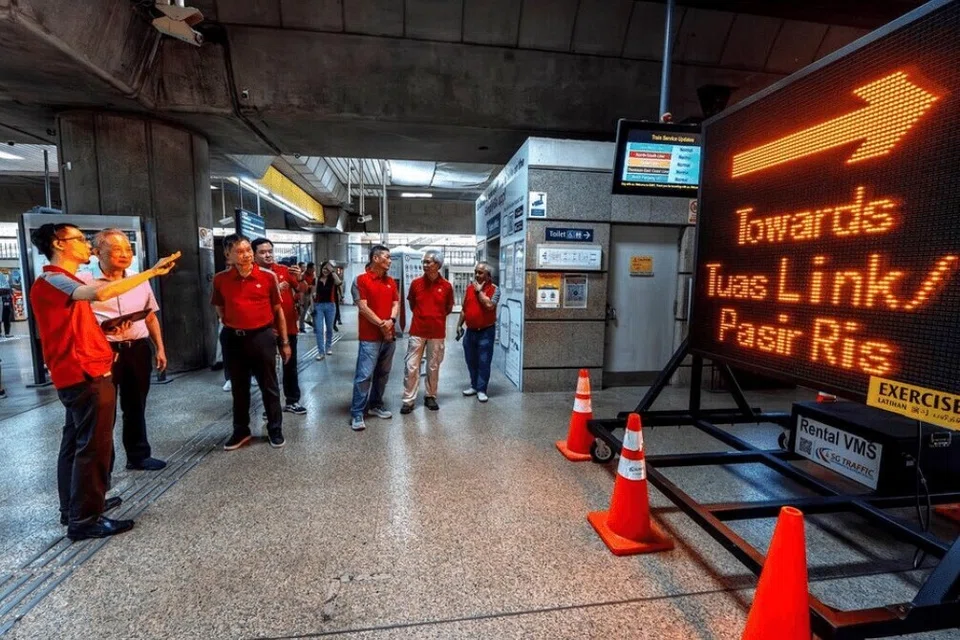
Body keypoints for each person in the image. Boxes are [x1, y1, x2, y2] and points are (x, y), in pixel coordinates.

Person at [29, 222, 178, 540]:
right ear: (59, 244)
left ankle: (78, 506)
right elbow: (100, 292)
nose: (86, 245)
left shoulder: (61, 280)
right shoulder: (55, 279)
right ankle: (84, 520)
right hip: (84, 374)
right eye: (80, 240)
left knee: (78, 442)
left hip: (86, 370)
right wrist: (150, 272)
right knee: (92, 447)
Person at [79, 229, 168, 472]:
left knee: (136, 404)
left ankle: (139, 455)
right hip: (104, 351)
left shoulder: (139, 280)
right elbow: (80, 321)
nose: (124, 254)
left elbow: (150, 317)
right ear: (97, 252)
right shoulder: (85, 283)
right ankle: (103, 468)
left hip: (137, 349)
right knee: (103, 411)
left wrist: (159, 348)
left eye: (128, 249)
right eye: (116, 249)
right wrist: (106, 327)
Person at [212, 234, 292, 450]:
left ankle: (275, 429)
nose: (246, 255)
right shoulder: (220, 279)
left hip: (262, 337)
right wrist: (233, 322)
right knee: (239, 388)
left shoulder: (267, 277)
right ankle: (241, 430)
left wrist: (284, 343)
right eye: (240, 251)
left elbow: (278, 312)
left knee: (270, 386)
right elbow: (220, 308)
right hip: (233, 339)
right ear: (228, 254)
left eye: (248, 250)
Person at [252, 237, 307, 415]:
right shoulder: (252, 275)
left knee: (290, 365)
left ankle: (292, 401)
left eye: (270, 251)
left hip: (289, 327)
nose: (268, 255)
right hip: (265, 329)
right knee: (268, 370)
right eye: (262, 252)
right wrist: (275, 289)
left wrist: (300, 278)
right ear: (254, 255)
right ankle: (270, 407)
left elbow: (302, 289)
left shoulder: (284, 270)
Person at [350, 245, 399, 431]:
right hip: (370, 337)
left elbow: (396, 303)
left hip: (389, 336)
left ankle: (376, 404)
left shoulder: (391, 281)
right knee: (364, 375)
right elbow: (362, 307)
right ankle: (357, 412)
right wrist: (382, 324)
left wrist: (391, 320)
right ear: (375, 258)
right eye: (387, 257)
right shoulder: (361, 280)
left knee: (383, 374)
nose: (390, 260)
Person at [400, 250, 454, 414]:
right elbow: (412, 304)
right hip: (417, 331)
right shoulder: (416, 283)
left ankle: (430, 396)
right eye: (423, 262)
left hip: (437, 333)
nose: (424, 265)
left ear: (437, 265)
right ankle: (408, 400)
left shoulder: (446, 286)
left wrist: (434, 318)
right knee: (411, 366)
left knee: (433, 366)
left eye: (428, 262)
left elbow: (448, 308)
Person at [456, 262, 500, 403]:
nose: (476, 275)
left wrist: (479, 292)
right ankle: (474, 385)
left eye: (480, 272)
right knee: (471, 360)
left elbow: (489, 306)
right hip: (470, 332)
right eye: (475, 272)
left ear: (488, 275)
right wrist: (459, 325)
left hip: (486, 332)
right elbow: (464, 308)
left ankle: (482, 389)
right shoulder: (469, 288)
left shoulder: (495, 289)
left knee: (484, 361)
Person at [313, 260, 340, 358]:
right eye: (324, 268)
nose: (325, 271)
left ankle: (328, 347)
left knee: (329, 328)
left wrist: (332, 271)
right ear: (321, 269)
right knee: (319, 330)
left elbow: (339, 282)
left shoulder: (332, 279)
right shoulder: (316, 279)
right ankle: (321, 352)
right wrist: (313, 307)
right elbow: (313, 293)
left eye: (327, 269)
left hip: (330, 306)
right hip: (319, 306)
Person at [299, 262, 316, 332]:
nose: (314, 270)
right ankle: (301, 327)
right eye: (313, 268)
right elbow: (301, 285)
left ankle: (315, 326)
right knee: (303, 311)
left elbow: (314, 283)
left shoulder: (313, 275)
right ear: (309, 268)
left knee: (314, 311)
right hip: (305, 295)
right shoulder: (303, 275)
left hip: (312, 294)